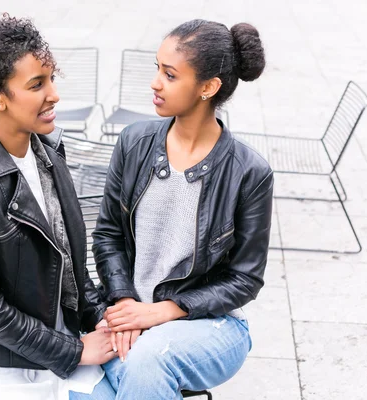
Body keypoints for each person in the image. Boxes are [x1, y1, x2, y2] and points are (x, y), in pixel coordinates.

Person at [0, 14, 117, 400]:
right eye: (36, 84)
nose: (54, 94)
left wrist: (104, 317)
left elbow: (71, 267)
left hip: (55, 337)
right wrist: (76, 351)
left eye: (51, 79)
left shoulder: (48, 152)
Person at [92, 19, 273, 399]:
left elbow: (245, 279)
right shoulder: (133, 143)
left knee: (146, 361)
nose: (155, 83)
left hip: (210, 325)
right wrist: (126, 303)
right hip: (129, 313)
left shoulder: (249, 173)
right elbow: (108, 234)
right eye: (157, 69)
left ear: (208, 87)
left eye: (170, 75)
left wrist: (163, 311)